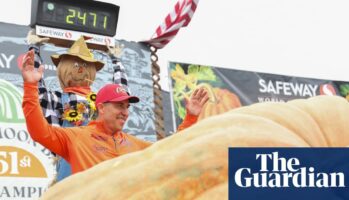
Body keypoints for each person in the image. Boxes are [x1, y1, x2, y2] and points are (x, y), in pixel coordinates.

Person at [21, 50, 209, 174]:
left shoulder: (133, 144)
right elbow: (40, 131)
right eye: (119, 105)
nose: (125, 112)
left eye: (127, 107)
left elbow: (170, 148)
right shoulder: (75, 137)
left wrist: (191, 117)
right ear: (101, 107)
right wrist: (31, 86)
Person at [26, 32, 129, 180]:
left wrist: (117, 61)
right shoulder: (57, 99)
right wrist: (34, 49)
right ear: (63, 69)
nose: (81, 69)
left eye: (85, 65)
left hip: (101, 164)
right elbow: (36, 89)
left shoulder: (101, 100)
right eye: (75, 64)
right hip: (71, 167)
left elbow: (122, 95)